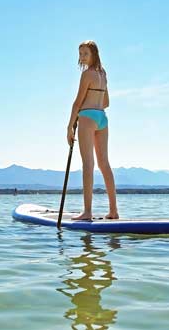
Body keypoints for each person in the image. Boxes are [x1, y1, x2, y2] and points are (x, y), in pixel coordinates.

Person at [67, 40, 119, 220]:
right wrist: (95, 100)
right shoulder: (103, 74)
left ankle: (87, 212)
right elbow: (106, 102)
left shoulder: (87, 74)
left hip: (87, 118)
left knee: (88, 164)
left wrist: (69, 126)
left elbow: (77, 102)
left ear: (94, 54)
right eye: (80, 54)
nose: (82, 57)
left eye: (85, 54)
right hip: (102, 118)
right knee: (104, 164)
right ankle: (113, 211)